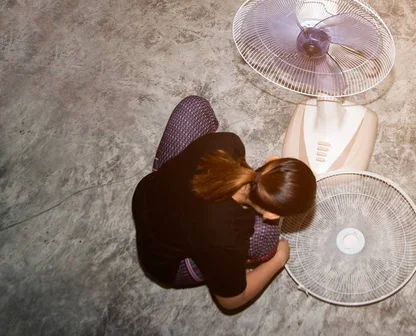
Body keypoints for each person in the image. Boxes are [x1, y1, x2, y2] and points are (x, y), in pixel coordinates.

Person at [132, 96, 317, 311]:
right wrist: (278, 260)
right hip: (162, 259)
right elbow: (231, 302)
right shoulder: (226, 236)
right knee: (267, 241)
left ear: (271, 160)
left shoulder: (228, 144)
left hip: (153, 191)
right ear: (271, 214)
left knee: (195, 106)